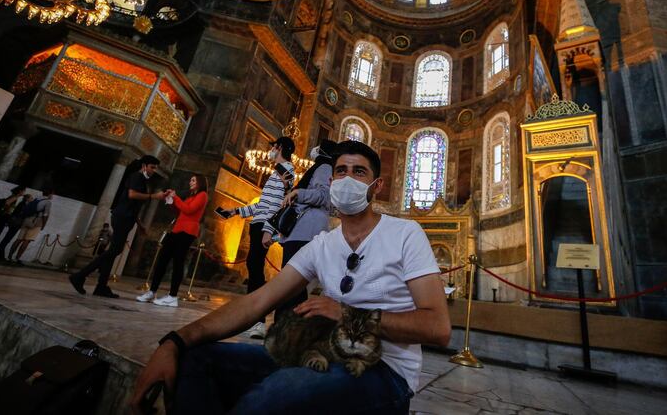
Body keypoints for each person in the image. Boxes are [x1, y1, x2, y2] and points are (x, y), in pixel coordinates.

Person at [130, 141, 451, 415]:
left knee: (273, 395)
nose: (347, 179)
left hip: (384, 372)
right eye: (341, 171)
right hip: (323, 355)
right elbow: (259, 300)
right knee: (197, 360)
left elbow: (437, 328)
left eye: (359, 172)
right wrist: (176, 340)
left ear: (376, 186)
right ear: (331, 180)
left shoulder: (405, 234)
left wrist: (349, 315)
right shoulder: (321, 245)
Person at [221, 136, 295, 339]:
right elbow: (262, 205)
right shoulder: (275, 173)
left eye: (273, 147)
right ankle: (252, 317)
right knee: (253, 269)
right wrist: (235, 211)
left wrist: (268, 230)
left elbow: (279, 205)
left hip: (263, 226)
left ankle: (259, 321)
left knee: (256, 270)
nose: (270, 151)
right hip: (257, 224)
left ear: (279, 148)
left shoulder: (287, 171)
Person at [69, 155, 168, 298]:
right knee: (115, 250)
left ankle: (101, 286)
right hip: (122, 217)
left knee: (114, 251)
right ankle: (80, 275)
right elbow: (132, 195)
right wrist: (154, 196)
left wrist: (140, 224)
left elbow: (134, 206)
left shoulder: (142, 180)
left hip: (127, 218)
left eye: (155, 168)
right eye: (152, 167)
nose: (153, 170)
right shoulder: (137, 177)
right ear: (144, 166)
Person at [273, 139, 338, 315]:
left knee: (291, 286)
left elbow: (323, 196)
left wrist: (298, 192)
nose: (314, 149)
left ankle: (288, 327)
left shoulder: (324, 167)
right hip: (301, 229)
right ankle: (288, 326)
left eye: (319, 147)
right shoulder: (320, 168)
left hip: (305, 231)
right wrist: (289, 187)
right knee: (292, 286)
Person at [136, 174, 209, 308]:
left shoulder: (202, 195)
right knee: (162, 259)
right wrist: (171, 200)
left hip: (187, 232)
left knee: (178, 262)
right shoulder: (191, 196)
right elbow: (181, 211)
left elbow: (189, 210)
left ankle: (172, 296)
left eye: (193, 180)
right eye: (190, 179)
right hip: (177, 230)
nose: (190, 182)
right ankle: (152, 291)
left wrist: (176, 197)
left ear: (200, 182)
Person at [7, 187, 54, 264]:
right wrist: (43, 225)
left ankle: (9, 256)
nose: (53, 196)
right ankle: (17, 258)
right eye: (52, 194)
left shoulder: (36, 199)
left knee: (19, 239)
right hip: (37, 223)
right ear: (50, 194)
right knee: (26, 241)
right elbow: (45, 214)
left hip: (26, 220)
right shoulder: (47, 202)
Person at [0, 193, 32, 263]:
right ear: (27, 199)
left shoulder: (22, 204)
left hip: (14, 223)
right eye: (31, 198)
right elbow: (19, 214)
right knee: (7, 239)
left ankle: (0, 254)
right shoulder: (23, 205)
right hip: (15, 224)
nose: (32, 199)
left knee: (7, 239)